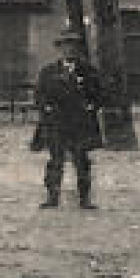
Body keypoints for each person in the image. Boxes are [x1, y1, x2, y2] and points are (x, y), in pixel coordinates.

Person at [31, 25, 105, 209]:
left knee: (82, 161)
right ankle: (52, 197)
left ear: (78, 49)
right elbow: (39, 95)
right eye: (65, 45)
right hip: (56, 123)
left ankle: (85, 198)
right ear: (59, 49)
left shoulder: (88, 71)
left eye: (73, 45)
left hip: (80, 123)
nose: (69, 49)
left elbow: (99, 94)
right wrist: (46, 109)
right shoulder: (48, 72)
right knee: (55, 160)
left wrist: (91, 107)